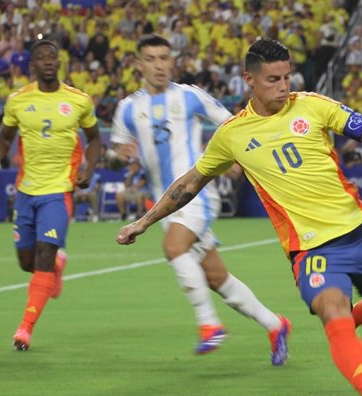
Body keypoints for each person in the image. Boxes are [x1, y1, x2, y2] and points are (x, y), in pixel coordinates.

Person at [117, 39, 362, 396]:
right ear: (249, 80)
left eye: (286, 77)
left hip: (360, 232)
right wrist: (145, 221)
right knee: (332, 312)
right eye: (272, 79)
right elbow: (190, 182)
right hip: (310, 248)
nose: (282, 86)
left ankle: (351, 321)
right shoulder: (232, 134)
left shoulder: (313, 105)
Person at [110, 35, 291, 363]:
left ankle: (209, 325)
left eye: (164, 57)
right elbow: (113, 155)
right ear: (138, 64)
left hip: (196, 193)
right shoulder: (126, 110)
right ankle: (275, 324)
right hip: (164, 206)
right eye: (151, 58)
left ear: (172, 61)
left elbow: (232, 125)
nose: (159, 65)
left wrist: (236, 159)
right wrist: (119, 155)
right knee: (217, 278)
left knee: (174, 248)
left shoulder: (190, 97)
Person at [0, 40, 102, 351]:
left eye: (52, 57)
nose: (48, 62)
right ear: (33, 65)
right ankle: (56, 265)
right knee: (27, 262)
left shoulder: (79, 100)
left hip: (58, 192)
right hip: (26, 192)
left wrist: (89, 169)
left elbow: (94, 139)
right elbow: (5, 137)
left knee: (43, 255)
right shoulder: (17, 101)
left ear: (59, 62)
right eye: (41, 58)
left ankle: (24, 329)